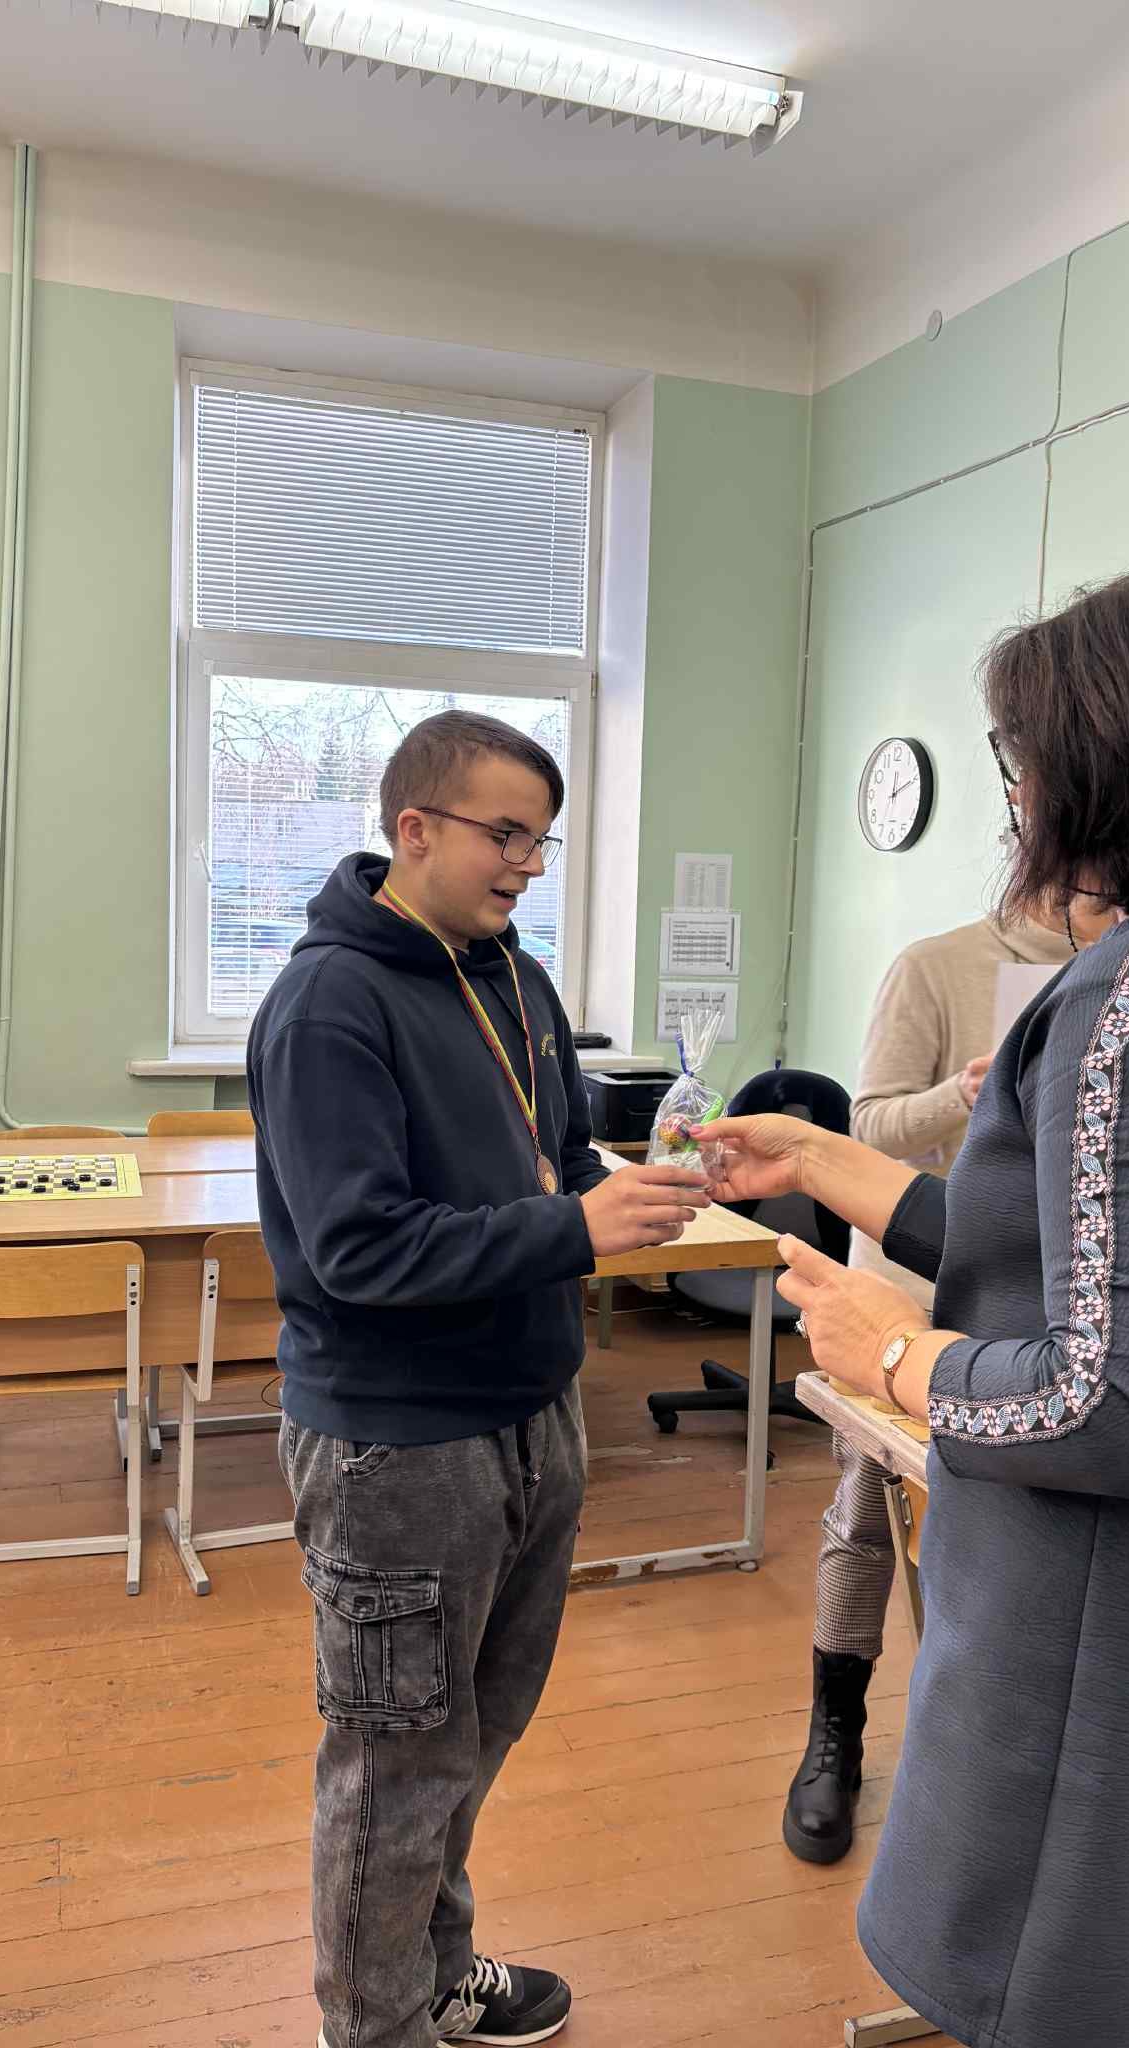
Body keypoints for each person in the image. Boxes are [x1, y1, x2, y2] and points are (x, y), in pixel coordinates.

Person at [700, 566, 1129, 2048]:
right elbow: (1098, 1250)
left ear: (1092, 759)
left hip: (1116, 1654)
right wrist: (827, 1162)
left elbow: (1112, 1400)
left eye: (1021, 756)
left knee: (1069, 2000)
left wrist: (895, 1354)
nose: (1019, 793)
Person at [247, 711, 709, 2048]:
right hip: (398, 1446)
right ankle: (373, 2026)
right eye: (506, 834)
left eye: (542, 839)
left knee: (474, 1732)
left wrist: (647, 1183)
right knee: (394, 1762)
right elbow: (358, 1251)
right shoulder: (327, 1004)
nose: (530, 863)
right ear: (413, 829)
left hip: (534, 1414)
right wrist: (575, 1228)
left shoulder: (514, 976)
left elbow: (563, 1163)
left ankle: (437, 1969)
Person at [785, 904, 1084, 1864]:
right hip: (911, 1289)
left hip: (1039, 1305)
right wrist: (963, 1095)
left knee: (1013, 1536)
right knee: (867, 1516)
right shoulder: (937, 965)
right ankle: (835, 1733)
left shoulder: (1124, 962)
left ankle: (986, 1750)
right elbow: (868, 1123)